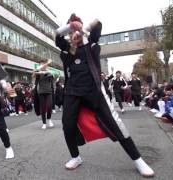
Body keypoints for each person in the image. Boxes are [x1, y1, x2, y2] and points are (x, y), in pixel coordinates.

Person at [55, 14, 154, 177]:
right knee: (67, 125)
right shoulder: (68, 49)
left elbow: (98, 24)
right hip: (72, 92)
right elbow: (57, 36)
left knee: (116, 124)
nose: (75, 33)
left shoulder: (91, 46)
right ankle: (75, 157)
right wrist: (70, 27)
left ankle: (138, 160)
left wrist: (83, 28)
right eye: (71, 31)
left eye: (77, 29)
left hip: (94, 92)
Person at [33, 60, 54, 129]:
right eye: (41, 65)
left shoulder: (49, 72)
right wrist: (37, 70)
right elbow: (33, 74)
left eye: (44, 65)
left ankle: (49, 119)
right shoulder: (38, 73)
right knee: (42, 108)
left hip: (49, 92)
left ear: (46, 65)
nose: (43, 66)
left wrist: (45, 71)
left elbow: (52, 74)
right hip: (41, 92)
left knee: (49, 106)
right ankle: (44, 123)